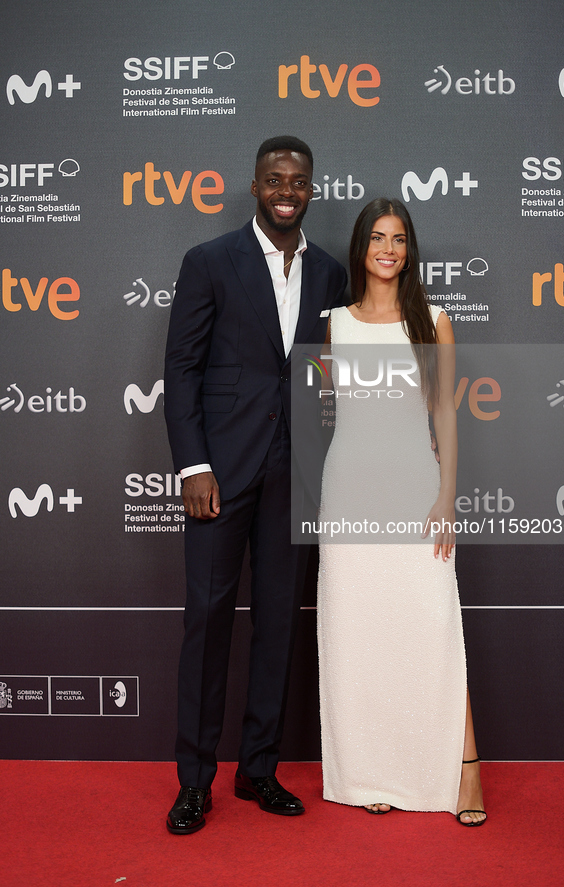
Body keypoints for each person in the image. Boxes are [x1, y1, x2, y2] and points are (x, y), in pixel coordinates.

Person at [163, 136, 347, 834]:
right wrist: (193, 465)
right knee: (206, 623)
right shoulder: (209, 262)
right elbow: (180, 370)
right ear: (254, 186)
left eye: (297, 181)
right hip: (219, 472)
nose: (285, 190)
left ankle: (259, 768)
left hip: (292, 469)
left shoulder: (329, 273)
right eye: (274, 179)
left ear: (310, 190)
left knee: (276, 622)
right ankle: (194, 780)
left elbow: (327, 373)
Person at [317, 198, 486, 825]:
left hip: (418, 493)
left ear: (409, 249)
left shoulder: (433, 320)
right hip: (351, 495)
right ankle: (373, 771)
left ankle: (467, 773)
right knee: (361, 633)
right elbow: (341, 413)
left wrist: (445, 494)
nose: (388, 249)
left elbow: (444, 411)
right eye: (378, 238)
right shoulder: (335, 323)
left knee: (434, 627)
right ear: (361, 246)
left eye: (399, 239)